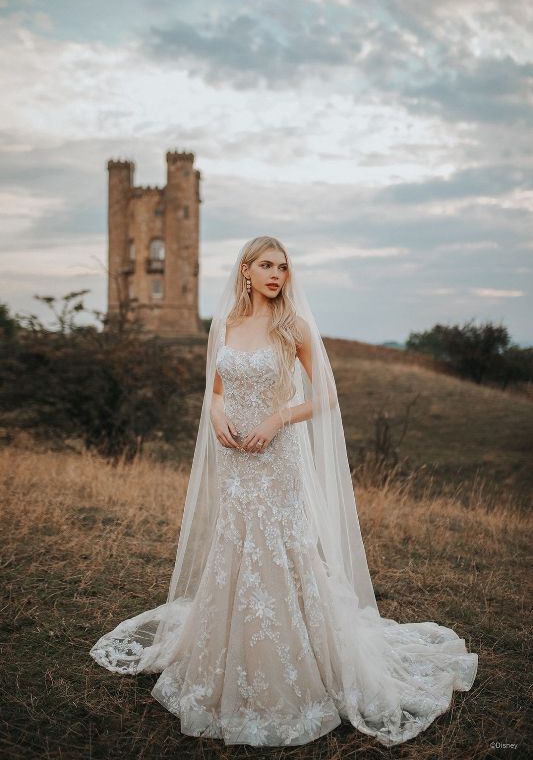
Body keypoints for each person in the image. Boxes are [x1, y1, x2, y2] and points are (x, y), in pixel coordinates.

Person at [90, 235, 478, 747]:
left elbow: (326, 396)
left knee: (282, 552)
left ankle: (302, 662)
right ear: (246, 271)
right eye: (266, 265)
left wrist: (277, 417)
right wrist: (216, 412)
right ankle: (225, 657)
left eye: (283, 267)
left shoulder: (291, 326)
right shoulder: (226, 323)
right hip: (236, 460)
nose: (277, 274)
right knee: (235, 547)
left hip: (277, 462)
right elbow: (217, 388)